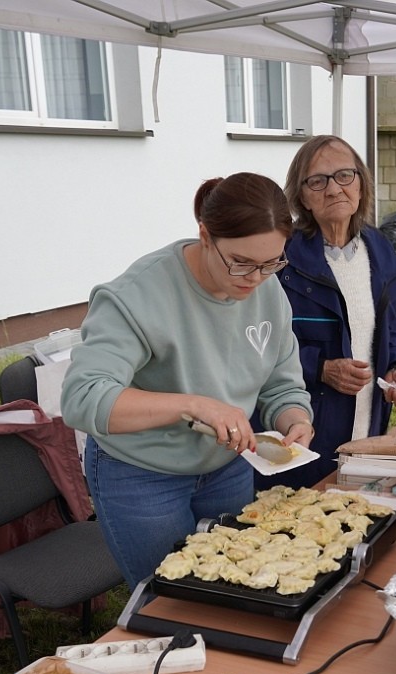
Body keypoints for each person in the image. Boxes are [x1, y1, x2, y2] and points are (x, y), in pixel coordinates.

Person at [61, 173, 314, 588]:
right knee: (171, 601)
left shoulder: (268, 292)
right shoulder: (138, 295)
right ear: (205, 236)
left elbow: (280, 383)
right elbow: (83, 398)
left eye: (271, 263)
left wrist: (294, 419)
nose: (254, 278)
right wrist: (192, 404)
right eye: (242, 262)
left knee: (231, 587)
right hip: (141, 474)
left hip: (227, 466)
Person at [271, 134, 396, 489]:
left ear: (361, 185)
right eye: (317, 181)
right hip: (305, 430)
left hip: (369, 423)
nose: (334, 189)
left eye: (344, 176)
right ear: (302, 196)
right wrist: (320, 368)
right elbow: (258, 345)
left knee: (354, 509)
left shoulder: (382, 251)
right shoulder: (281, 260)